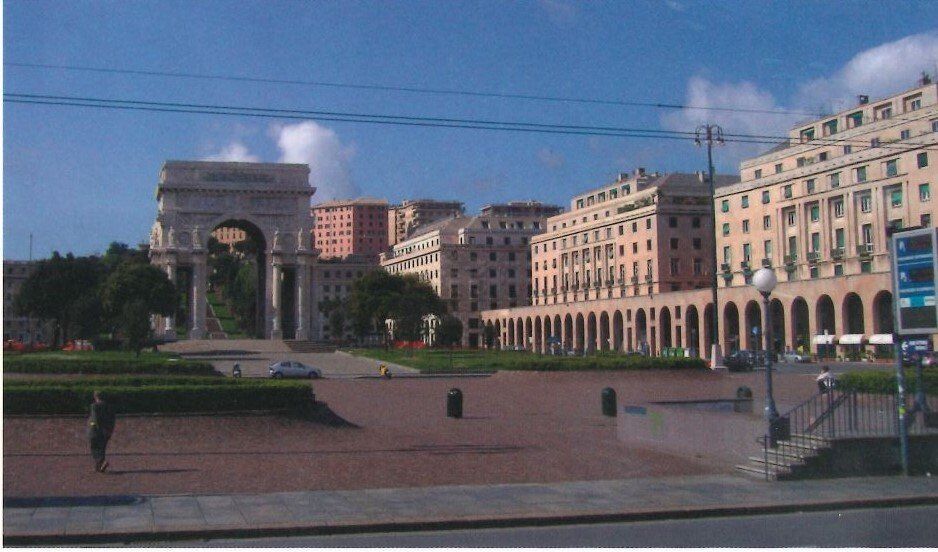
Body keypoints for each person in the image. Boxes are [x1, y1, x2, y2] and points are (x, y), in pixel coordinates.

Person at [87, 391, 116, 473]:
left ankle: (101, 462)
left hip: (95, 431)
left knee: (94, 448)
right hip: (106, 431)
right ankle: (99, 467)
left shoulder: (94, 406)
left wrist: (98, 428)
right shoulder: (110, 407)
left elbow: (95, 418)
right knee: (102, 449)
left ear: (96, 397)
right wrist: (109, 430)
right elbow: (113, 419)